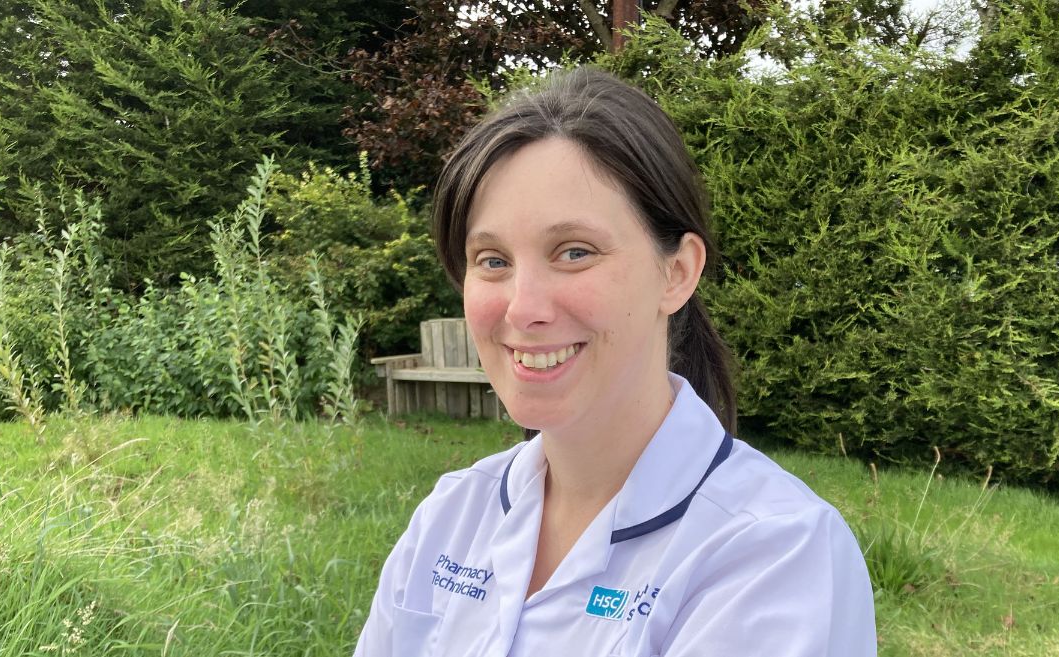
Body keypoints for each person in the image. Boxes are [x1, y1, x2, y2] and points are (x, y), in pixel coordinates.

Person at [354, 66, 876, 657]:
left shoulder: (774, 553)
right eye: (493, 260)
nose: (523, 309)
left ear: (677, 273)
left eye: (574, 252)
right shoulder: (448, 517)